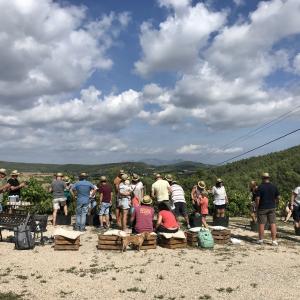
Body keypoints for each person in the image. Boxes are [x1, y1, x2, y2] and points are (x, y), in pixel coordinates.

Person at [256, 172, 280, 245]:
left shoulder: (260, 187)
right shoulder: (274, 186)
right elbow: (278, 197)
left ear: (262, 178)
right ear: (268, 178)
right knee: (273, 224)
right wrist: (275, 203)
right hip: (272, 207)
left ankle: (261, 240)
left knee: (261, 224)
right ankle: (274, 241)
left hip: (262, 207)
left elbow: (257, 199)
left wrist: (257, 207)